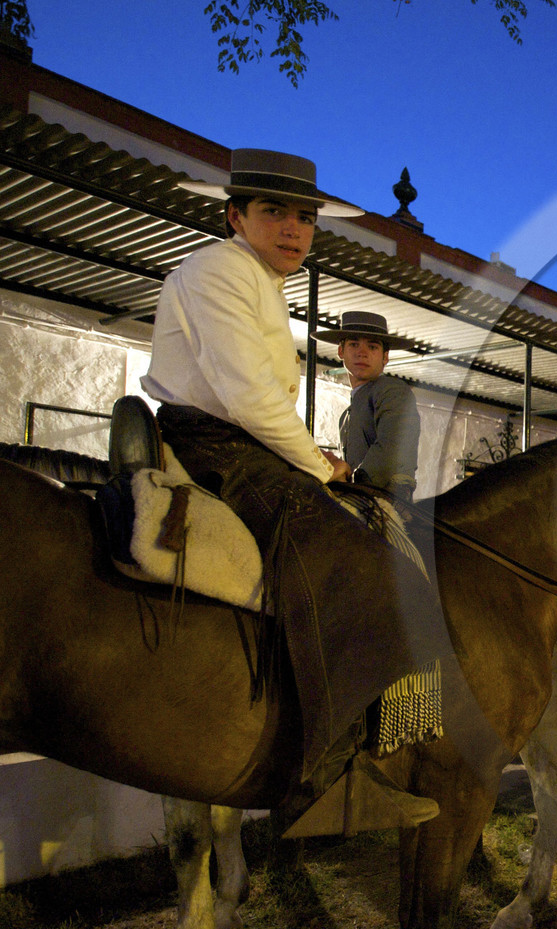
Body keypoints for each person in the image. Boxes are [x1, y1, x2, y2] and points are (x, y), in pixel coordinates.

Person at [144, 149, 502, 835]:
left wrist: (324, 463)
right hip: (221, 446)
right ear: (235, 216)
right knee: (368, 570)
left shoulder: (257, 283)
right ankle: (328, 776)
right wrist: (320, 466)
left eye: (304, 216)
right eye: (274, 211)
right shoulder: (222, 270)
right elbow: (249, 396)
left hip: (252, 445)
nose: (293, 228)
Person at [315, 310, 421, 502]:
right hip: (358, 498)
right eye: (354, 344)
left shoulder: (392, 390)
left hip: (385, 503)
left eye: (372, 347)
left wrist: (350, 484)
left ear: (385, 357)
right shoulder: (346, 416)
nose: (362, 353)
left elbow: (392, 447)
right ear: (341, 351)